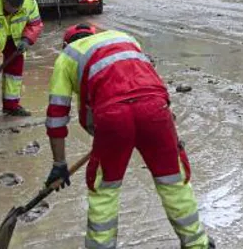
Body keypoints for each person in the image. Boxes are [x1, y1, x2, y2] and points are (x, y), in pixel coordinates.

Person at [45, 24, 213, 249]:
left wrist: (59, 164)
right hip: (155, 110)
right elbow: (150, 80)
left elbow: (57, 117)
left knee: (105, 189)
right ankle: (197, 244)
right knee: (173, 180)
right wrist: (167, 123)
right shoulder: (124, 38)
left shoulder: (67, 57)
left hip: (113, 117)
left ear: (66, 44)